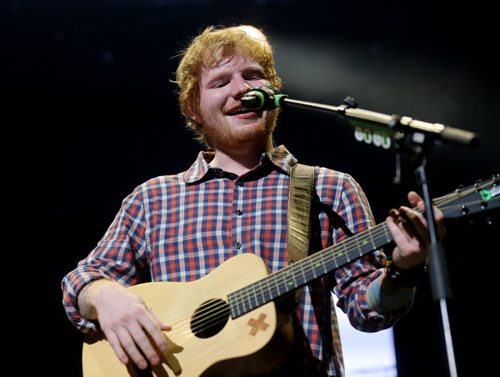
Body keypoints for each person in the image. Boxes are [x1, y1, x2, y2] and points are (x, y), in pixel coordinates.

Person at [61, 24, 444, 377]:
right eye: (220, 81)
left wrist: (404, 269)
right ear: (194, 108)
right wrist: (105, 296)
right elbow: (80, 281)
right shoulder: (153, 199)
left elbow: (367, 310)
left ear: (274, 94)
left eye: (253, 76)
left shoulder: (329, 189)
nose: (240, 89)